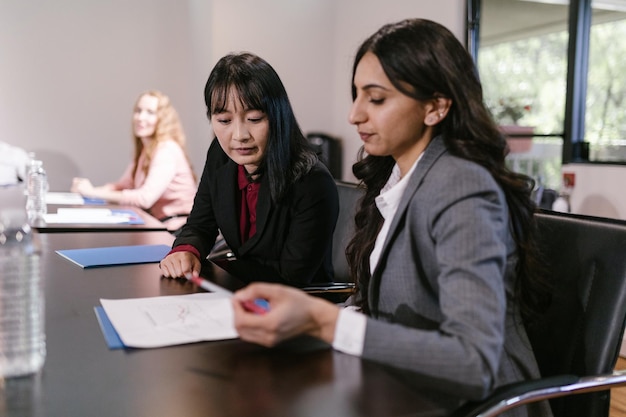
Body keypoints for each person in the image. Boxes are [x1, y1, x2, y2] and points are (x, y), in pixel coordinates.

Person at [231, 19, 551, 417]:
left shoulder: (462, 187)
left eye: (376, 99)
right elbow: (378, 304)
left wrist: (323, 322)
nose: (353, 115)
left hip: (472, 405)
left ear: (435, 106)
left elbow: (474, 362)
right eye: (356, 95)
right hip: (397, 387)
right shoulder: (398, 178)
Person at [159, 52, 339, 286]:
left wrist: (221, 269)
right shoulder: (220, 156)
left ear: (278, 116)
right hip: (240, 294)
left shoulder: (312, 182)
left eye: (254, 119)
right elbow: (200, 224)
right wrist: (186, 251)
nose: (239, 136)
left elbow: (291, 277)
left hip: (296, 307)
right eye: (224, 121)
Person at [71, 90, 197, 233]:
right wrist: (88, 190)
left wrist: (93, 193)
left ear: (163, 119)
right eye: (138, 110)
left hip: (179, 229)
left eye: (150, 112)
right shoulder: (146, 149)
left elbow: (144, 199)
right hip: (159, 224)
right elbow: (124, 185)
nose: (141, 117)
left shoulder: (166, 150)